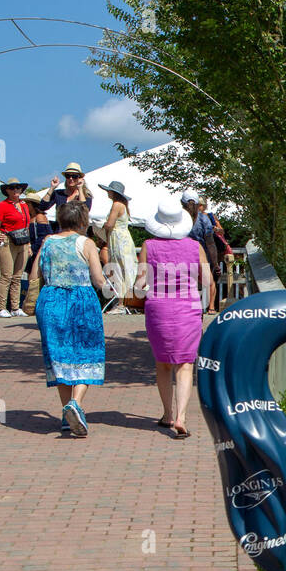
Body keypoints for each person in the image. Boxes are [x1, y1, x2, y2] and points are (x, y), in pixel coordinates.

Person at [137, 198, 212, 439]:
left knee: (163, 363)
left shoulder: (148, 246)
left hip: (158, 308)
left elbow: (140, 285)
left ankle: (167, 414)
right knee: (185, 364)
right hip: (188, 308)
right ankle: (181, 417)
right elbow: (207, 282)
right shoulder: (194, 246)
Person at [35, 203, 108, 436]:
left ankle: (66, 415)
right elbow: (98, 279)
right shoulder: (87, 243)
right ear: (83, 221)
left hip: (50, 301)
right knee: (87, 352)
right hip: (79, 300)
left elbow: (33, 274)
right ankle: (75, 403)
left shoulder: (47, 242)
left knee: (59, 356)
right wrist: (114, 290)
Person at [0, 178, 31, 317]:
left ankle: (15, 307)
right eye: (12, 188)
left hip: (23, 241)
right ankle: (1, 307)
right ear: (7, 190)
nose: (16, 190)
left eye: (18, 187)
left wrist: (29, 243)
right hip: (8, 240)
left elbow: (27, 225)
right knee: (6, 275)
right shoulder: (2, 205)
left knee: (18, 276)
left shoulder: (24, 205)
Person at [98, 180, 136, 315]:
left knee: (119, 270)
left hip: (118, 239)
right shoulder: (123, 205)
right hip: (124, 238)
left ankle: (121, 303)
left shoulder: (116, 205)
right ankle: (128, 301)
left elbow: (110, 224)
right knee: (126, 269)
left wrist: (100, 227)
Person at [180, 190, 219, 314]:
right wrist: (215, 263)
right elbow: (210, 243)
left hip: (181, 255)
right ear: (198, 204)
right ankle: (211, 307)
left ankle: (186, 308)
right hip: (200, 254)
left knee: (185, 284)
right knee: (210, 282)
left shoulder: (178, 217)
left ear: (181, 203)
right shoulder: (204, 219)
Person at [20, 191, 53, 316]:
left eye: (27, 203)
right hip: (31, 250)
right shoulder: (29, 217)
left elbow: (44, 236)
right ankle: (31, 302)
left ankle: (36, 304)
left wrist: (33, 248)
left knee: (37, 277)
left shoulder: (40, 217)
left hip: (37, 250)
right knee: (30, 276)